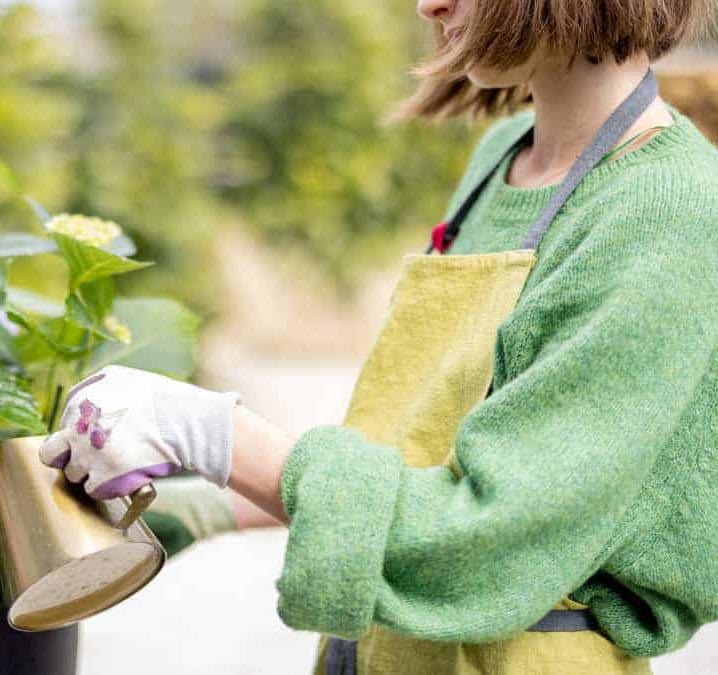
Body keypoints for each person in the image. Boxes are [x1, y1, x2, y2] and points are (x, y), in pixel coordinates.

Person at [38, 0, 718, 672]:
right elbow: (425, 449)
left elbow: (488, 541)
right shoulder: (500, 158)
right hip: (382, 647)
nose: (430, 4)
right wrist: (215, 509)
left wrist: (216, 434)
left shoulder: (666, 210)